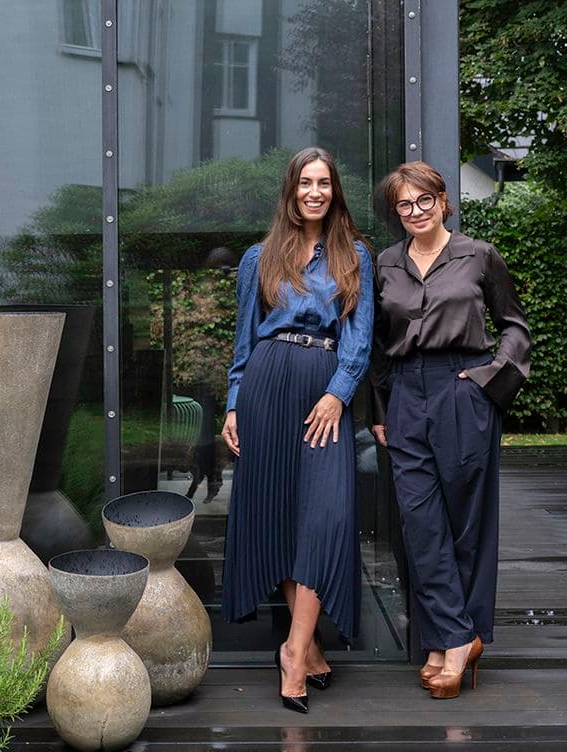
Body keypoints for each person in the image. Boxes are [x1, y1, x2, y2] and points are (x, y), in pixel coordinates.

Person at [220, 147, 374, 714]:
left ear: (335, 192)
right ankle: (304, 651)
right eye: (306, 182)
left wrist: (338, 392)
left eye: (324, 183)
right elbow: (245, 340)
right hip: (267, 386)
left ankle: (293, 646)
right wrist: (235, 404)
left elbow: (359, 339)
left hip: (324, 389)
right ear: (291, 191)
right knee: (280, 512)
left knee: (325, 516)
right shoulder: (258, 258)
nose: (315, 192)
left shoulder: (354, 255)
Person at [371, 161, 530, 700]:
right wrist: (379, 408)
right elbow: (376, 342)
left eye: (424, 201)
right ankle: (457, 635)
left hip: (462, 386)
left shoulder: (478, 255)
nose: (415, 212)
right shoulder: (385, 263)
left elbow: (515, 326)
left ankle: (452, 643)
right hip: (405, 396)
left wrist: (488, 382)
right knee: (420, 521)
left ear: (444, 202)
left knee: (466, 520)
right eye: (404, 206)